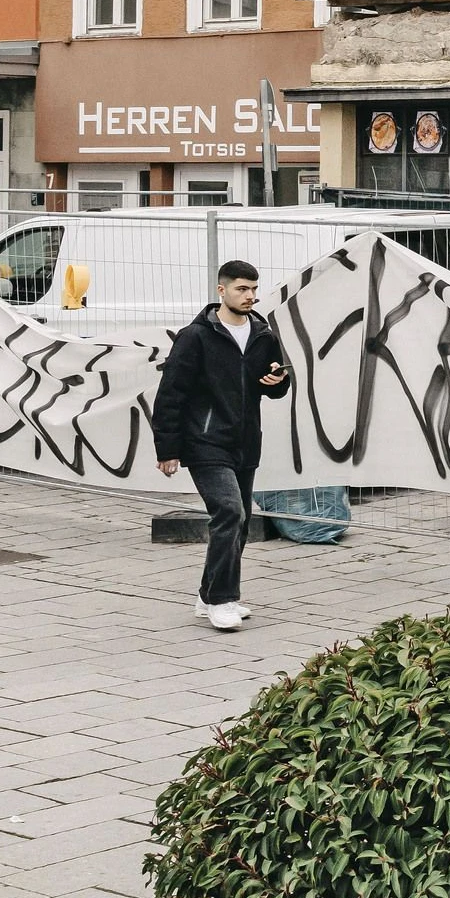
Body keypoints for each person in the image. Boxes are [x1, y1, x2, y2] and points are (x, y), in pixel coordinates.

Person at [153, 260, 294, 633]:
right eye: (241, 289)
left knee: (242, 521)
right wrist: (167, 449)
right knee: (229, 511)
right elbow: (170, 394)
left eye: (252, 289)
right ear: (222, 291)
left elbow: (274, 386)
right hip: (205, 441)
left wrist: (277, 380)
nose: (249, 296)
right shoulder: (196, 336)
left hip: (246, 441)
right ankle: (221, 600)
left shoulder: (263, 334)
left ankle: (208, 593)